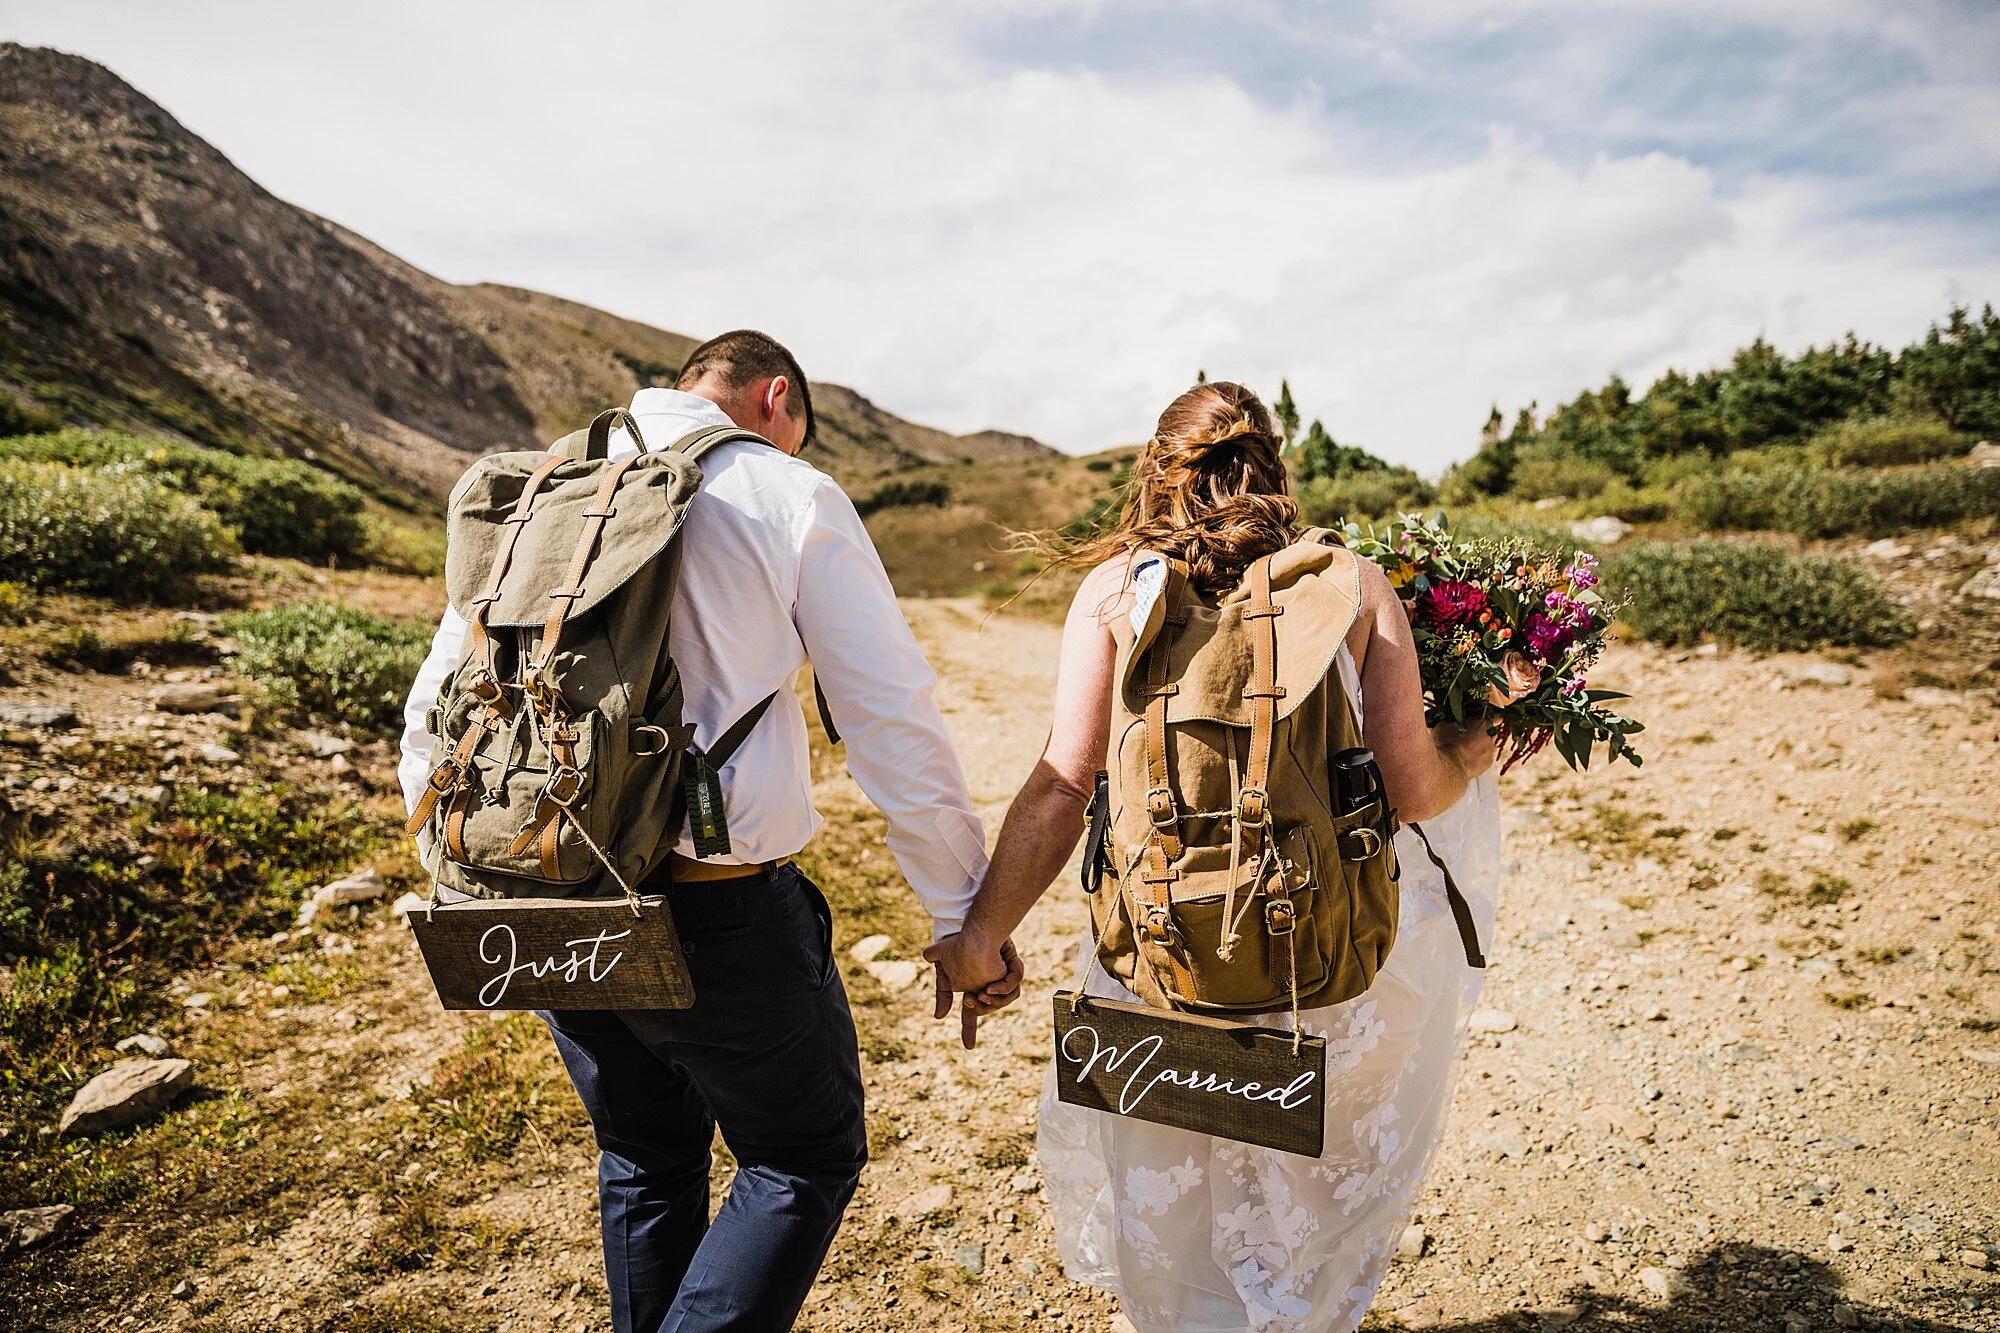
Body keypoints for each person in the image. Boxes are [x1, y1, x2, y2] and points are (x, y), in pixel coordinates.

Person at [398, 330, 1020, 1333]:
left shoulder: (545, 487)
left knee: (644, 1153)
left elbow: (441, 698)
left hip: (541, 887)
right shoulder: (785, 491)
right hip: (713, 905)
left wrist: (469, 860)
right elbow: (888, 717)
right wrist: (960, 910)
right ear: (775, 400)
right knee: (800, 1154)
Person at [926, 381, 1500, 1331]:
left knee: (1176, 1219)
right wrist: (1477, 746)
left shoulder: (1113, 590)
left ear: (1158, 473)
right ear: (1274, 467)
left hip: (1155, 962)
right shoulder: (1352, 583)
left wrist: (982, 934)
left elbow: (1064, 785)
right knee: (1301, 1217)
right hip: (1319, 968)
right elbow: (1413, 789)